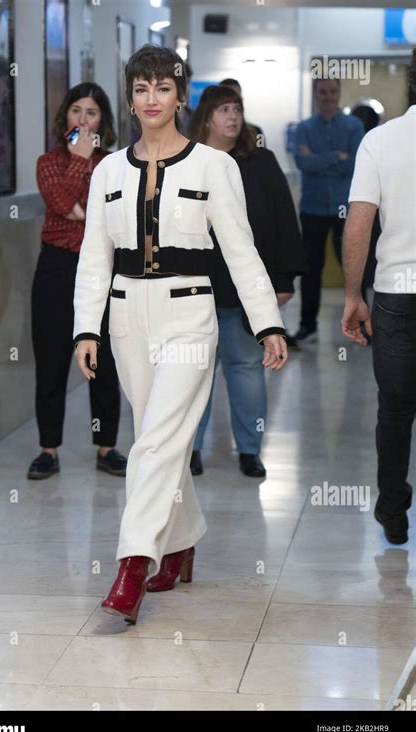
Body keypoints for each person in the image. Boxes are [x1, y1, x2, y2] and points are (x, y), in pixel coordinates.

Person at [72, 45, 288, 625]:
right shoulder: (108, 171)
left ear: (180, 94)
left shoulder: (215, 167)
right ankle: (183, 540)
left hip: (192, 315)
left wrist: (267, 321)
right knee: (157, 439)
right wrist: (85, 329)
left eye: (162, 89)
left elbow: (242, 251)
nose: (151, 100)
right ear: (130, 96)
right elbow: (94, 258)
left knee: (154, 444)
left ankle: (132, 564)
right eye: (140, 90)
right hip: (125, 317)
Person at [187, 85, 306, 478]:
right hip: (194, 291)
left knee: (246, 369)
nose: (233, 117)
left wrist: (284, 278)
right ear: (206, 117)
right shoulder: (187, 162)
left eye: (237, 109)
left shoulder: (261, 161)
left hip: (245, 293)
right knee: (194, 374)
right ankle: (191, 450)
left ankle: (250, 450)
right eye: (224, 110)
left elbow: (284, 221)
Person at [28, 83, 127, 479]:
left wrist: (89, 167)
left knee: (103, 361)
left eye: (91, 113)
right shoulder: (48, 161)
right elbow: (67, 208)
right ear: (64, 117)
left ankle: (107, 446)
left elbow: (100, 215)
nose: (83, 120)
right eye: (76, 112)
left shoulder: (115, 164)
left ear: (103, 120)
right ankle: (47, 450)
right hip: (56, 267)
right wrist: (79, 162)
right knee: (51, 361)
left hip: (102, 266)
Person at [341, 48, 416, 546]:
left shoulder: (381, 141)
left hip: (396, 293)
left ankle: (391, 508)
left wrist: (352, 295)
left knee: (395, 408)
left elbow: (360, 222)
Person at [292, 78, 365, 343]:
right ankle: (307, 326)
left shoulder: (354, 126)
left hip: (345, 210)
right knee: (311, 271)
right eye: (322, 91)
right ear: (315, 94)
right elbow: (302, 163)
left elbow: (355, 165)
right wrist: (337, 156)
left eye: (333, 91)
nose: (327, 96)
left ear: (339, 93)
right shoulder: (303, 128)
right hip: (312, 209)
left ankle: (361, 323)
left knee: (353, 269)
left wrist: (320, 159)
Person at [219, 78, 266, 146]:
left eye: (237, 98)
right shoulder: (208, 136)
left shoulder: (257, 133)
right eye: (227, 99)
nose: (234, 102)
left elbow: (264, 155)